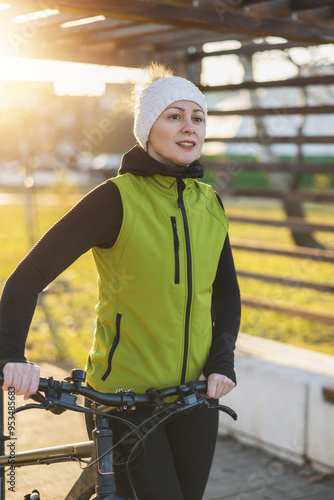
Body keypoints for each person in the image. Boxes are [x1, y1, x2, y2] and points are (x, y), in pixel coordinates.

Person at [0, 63, 241, 500]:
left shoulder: (211, 203)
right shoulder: (116, 198)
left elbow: (225, 293)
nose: (190, 127)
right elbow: (27, 277)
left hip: (194, 399)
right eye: (174, 116)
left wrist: (221, 362)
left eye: (198, 117)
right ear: (148, 128)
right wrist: (10, 354)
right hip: (124, 404)